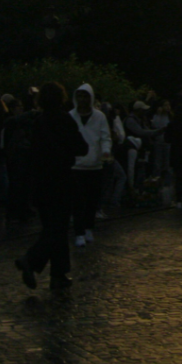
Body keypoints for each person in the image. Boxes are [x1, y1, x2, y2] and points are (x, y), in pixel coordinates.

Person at [15, 82, 88, 291]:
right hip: (61, 180)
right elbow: (81, 147)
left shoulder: (39, 122)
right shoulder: (64, 120)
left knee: (53, 227)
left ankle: (58, 274)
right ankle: (32, 260)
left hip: (41, 182)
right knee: (57, 228)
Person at [69, 84, 111, 247]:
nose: (82, 99)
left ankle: (88, 228)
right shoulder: (70, 116)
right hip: (76, 166)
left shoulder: (99, 117)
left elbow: (105, 136)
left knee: (92, 200)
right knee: (78, 201)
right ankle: (79, 232)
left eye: (85, 96)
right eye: (79, 96)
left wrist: (105, 151)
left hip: (95, 165)